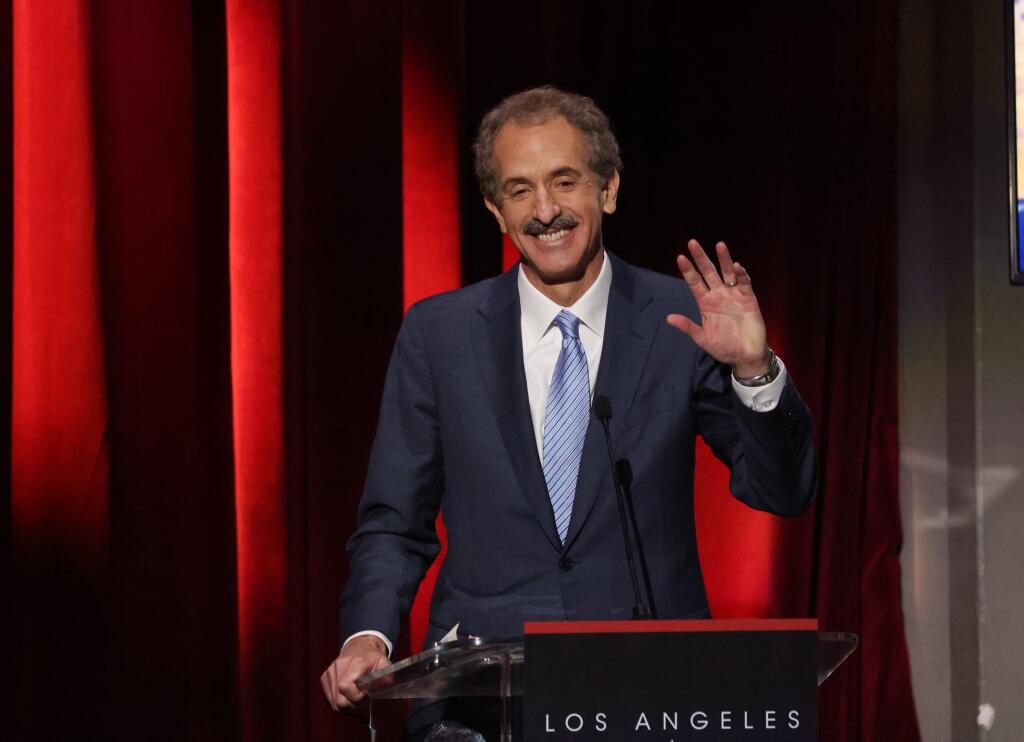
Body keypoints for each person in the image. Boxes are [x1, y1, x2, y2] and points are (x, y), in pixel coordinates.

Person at [319, 86, 817, 735]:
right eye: (520, 190)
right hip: (479, 703)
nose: (546, 210)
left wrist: (754, 369)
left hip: (650, 689)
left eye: (564, 181)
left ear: (607, 189)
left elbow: (780, 489)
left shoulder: (681, 321)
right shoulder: (438, 335)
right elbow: (394, 523)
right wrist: (369, 637)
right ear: (496, 210)